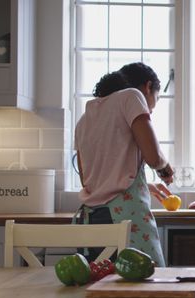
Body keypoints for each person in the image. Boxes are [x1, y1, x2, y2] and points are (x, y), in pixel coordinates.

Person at [74, 62, 174, 267]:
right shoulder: (132, 96)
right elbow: (154, 158)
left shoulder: (85, 118)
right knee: (148, 288)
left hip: (91, 219)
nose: (151, 110)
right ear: (147, 87)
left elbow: (88, 178)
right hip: (125, 216)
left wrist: (146, 185)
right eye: (156, 99)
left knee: (100, 292)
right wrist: (166, 168)